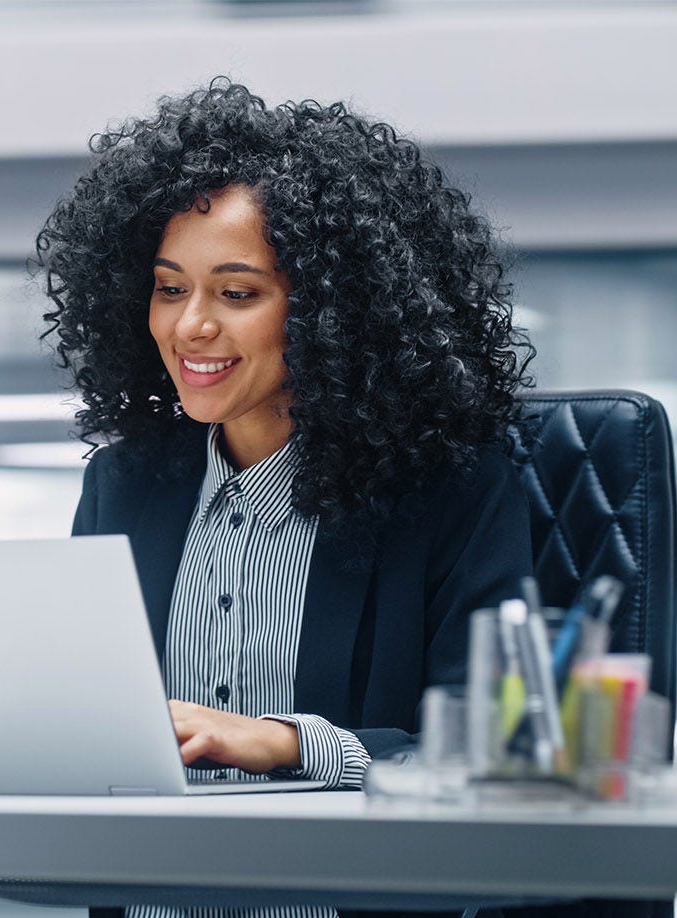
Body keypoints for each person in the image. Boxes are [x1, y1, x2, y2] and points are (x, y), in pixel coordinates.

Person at [36, 77, 536, 799]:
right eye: (170, 289)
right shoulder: (124, 486)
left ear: (335, 310)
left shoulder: (450, 490)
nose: (190, 326)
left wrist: (292, 744)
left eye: (237, 293)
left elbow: (503, 751)